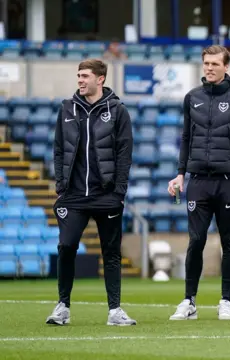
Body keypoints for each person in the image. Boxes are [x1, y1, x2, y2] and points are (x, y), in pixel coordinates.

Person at [167, 45, 230, 321]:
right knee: (196, 240)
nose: (209, 68)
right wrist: (181, 173)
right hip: (198, 181)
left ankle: (226, 301)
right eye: (206, 63)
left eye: (214, 64)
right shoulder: (191, 97)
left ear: (226, 67)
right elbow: (186, 138)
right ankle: (189, 301)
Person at [47, 59, 135, 326]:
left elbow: (124, 153)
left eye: (85, 76)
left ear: (101, 79)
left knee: (111, 253)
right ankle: (62, 307)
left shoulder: (118, 111)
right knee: (66, 246)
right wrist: (61, 185)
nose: (80, 80)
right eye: (78, 76)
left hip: (106, 195)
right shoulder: (66, 109)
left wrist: (119, 191)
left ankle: (115, 311)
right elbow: (59, 149)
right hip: (73, 195)